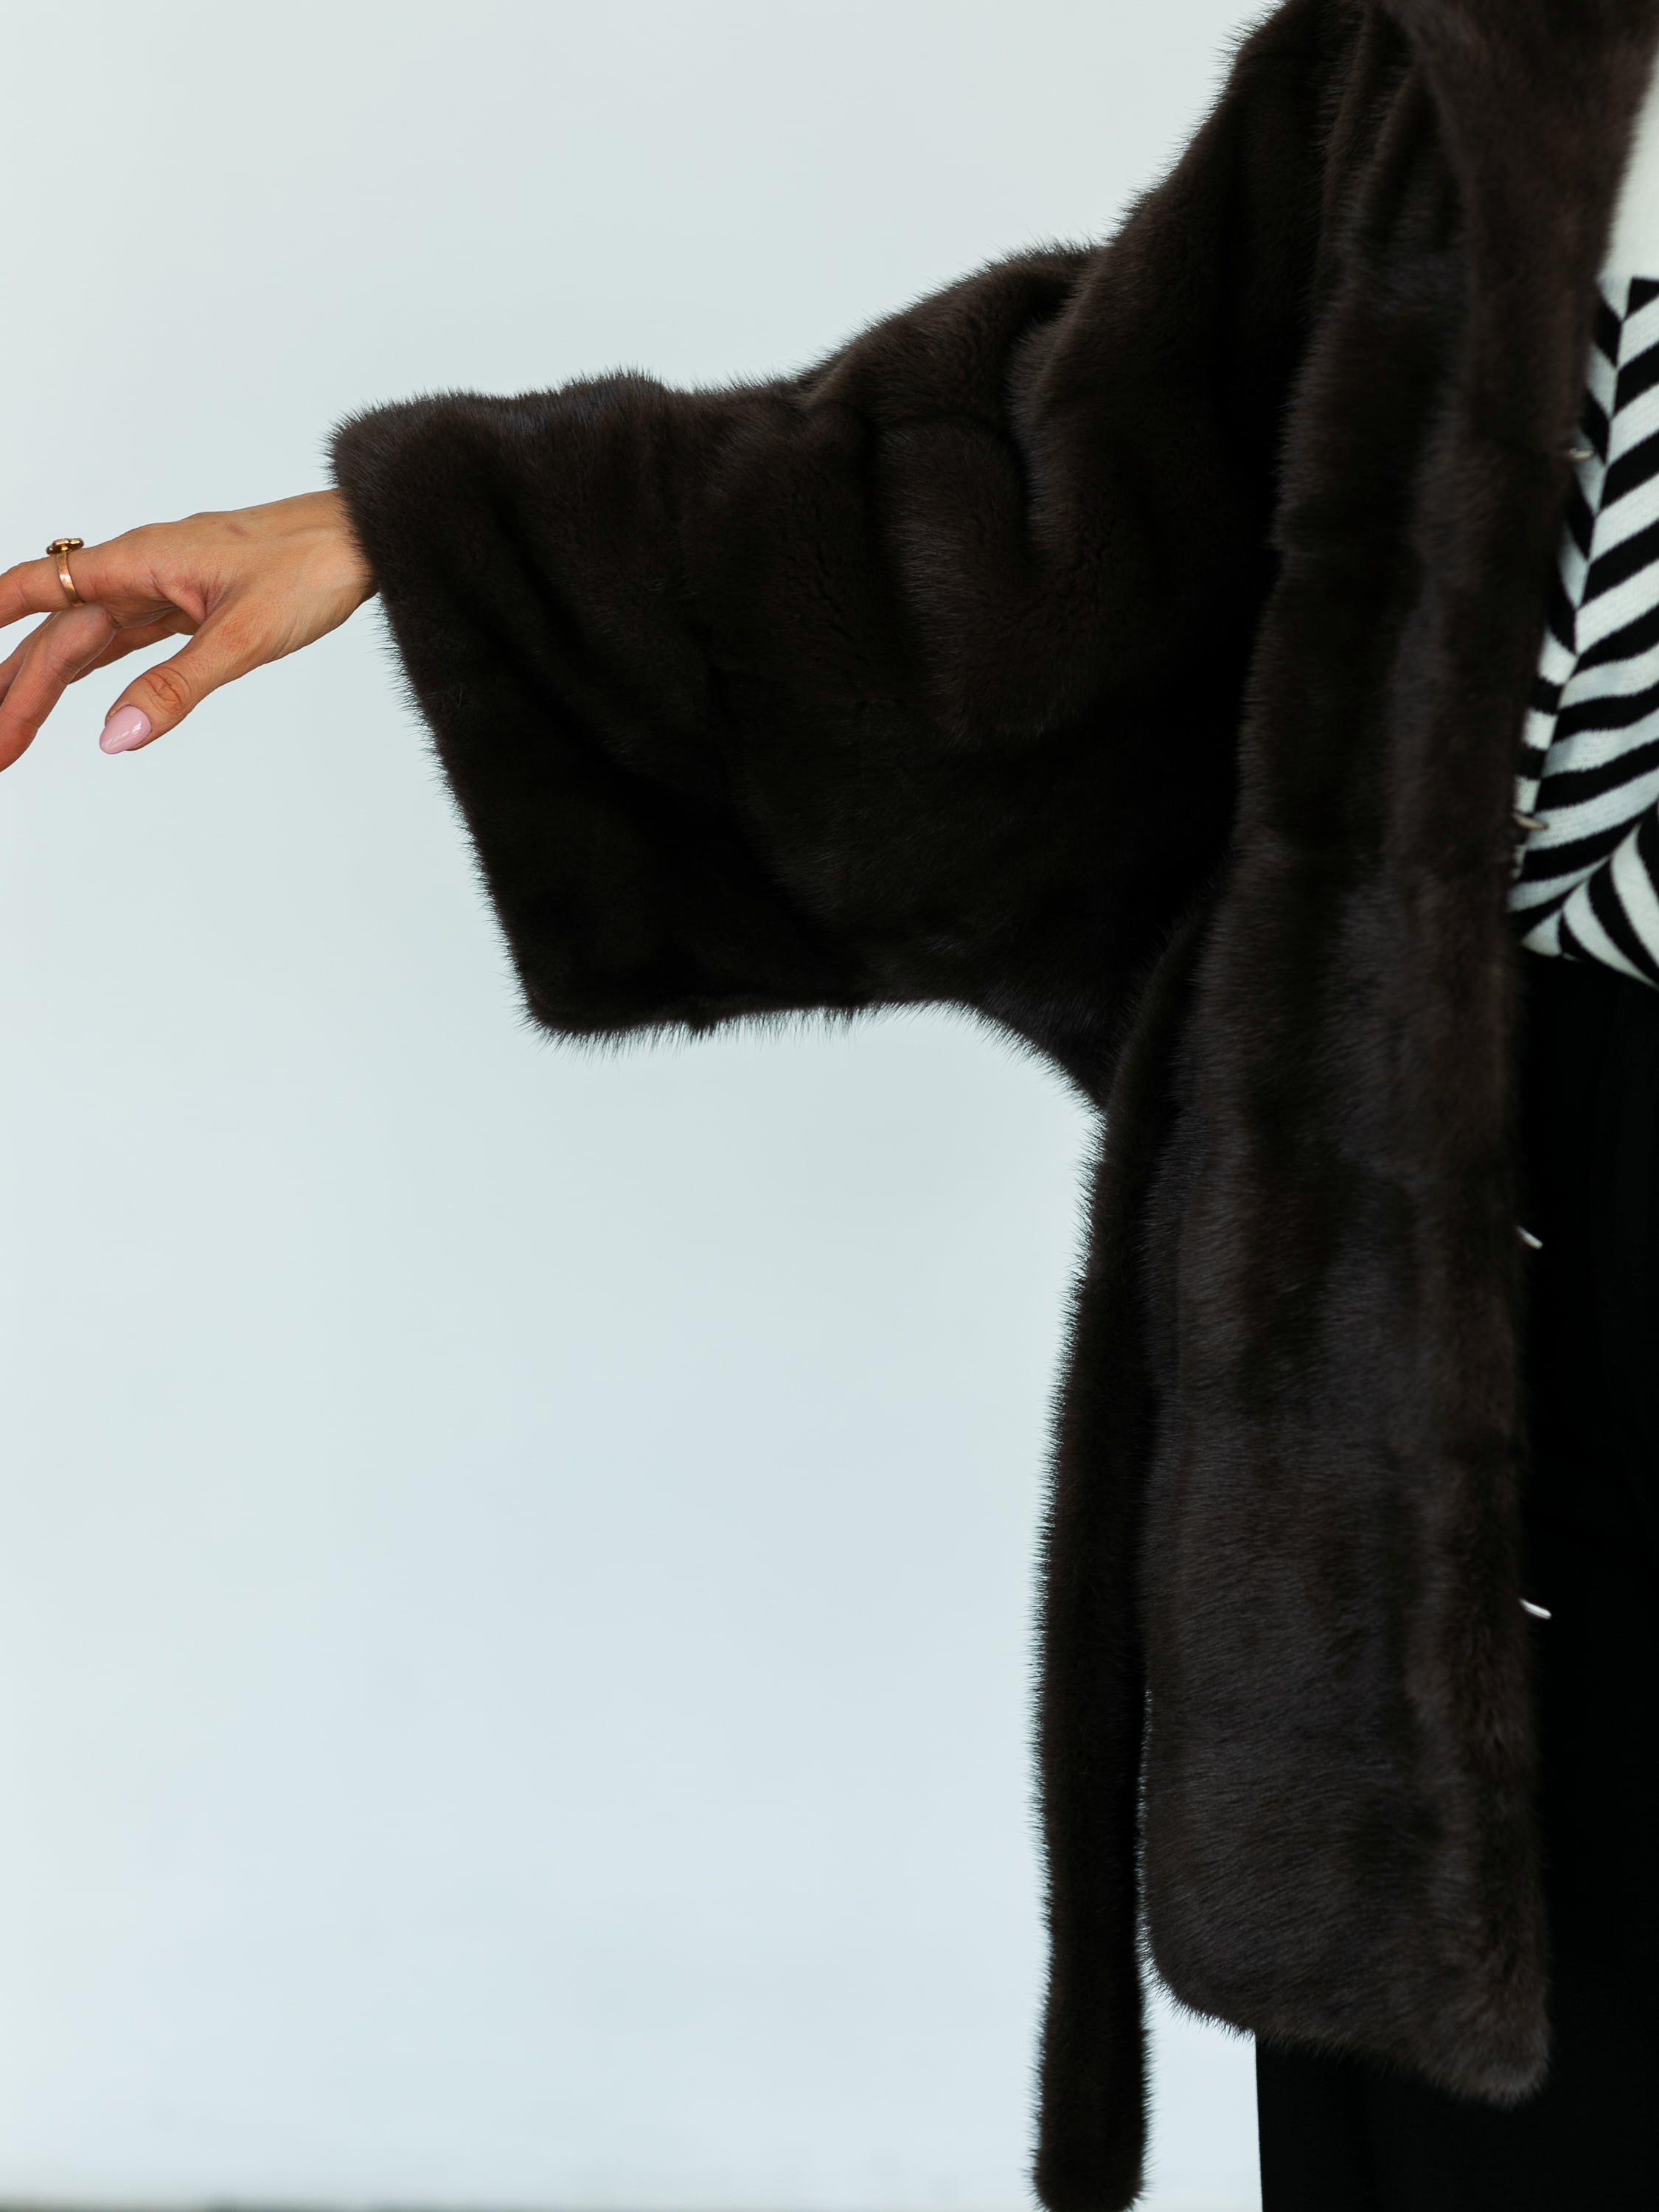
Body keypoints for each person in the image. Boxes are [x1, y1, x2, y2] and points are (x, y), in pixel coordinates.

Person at [3, 1, 1656, 2205]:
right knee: (1494, 2076)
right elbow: (1058, 505)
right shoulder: (1479, 54)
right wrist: (420, 533)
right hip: (1473, 1265)